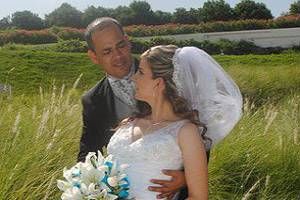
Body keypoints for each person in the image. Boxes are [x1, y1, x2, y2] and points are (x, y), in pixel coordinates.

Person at [107, 45, 243, 199]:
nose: (134, 77)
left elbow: (198, 197)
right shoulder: (129, 122)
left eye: (141, 72)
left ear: (158, 83)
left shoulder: (185, 132)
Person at [77, 17, 188, 199]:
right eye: (107, 51)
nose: (118, 56)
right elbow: (88, 152)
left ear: (128, 41)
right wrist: (85, 188)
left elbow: (199, 133)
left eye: (120, 45)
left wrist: (188, 177)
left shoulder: (165, 74)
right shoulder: (92, 100)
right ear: (94, 56)